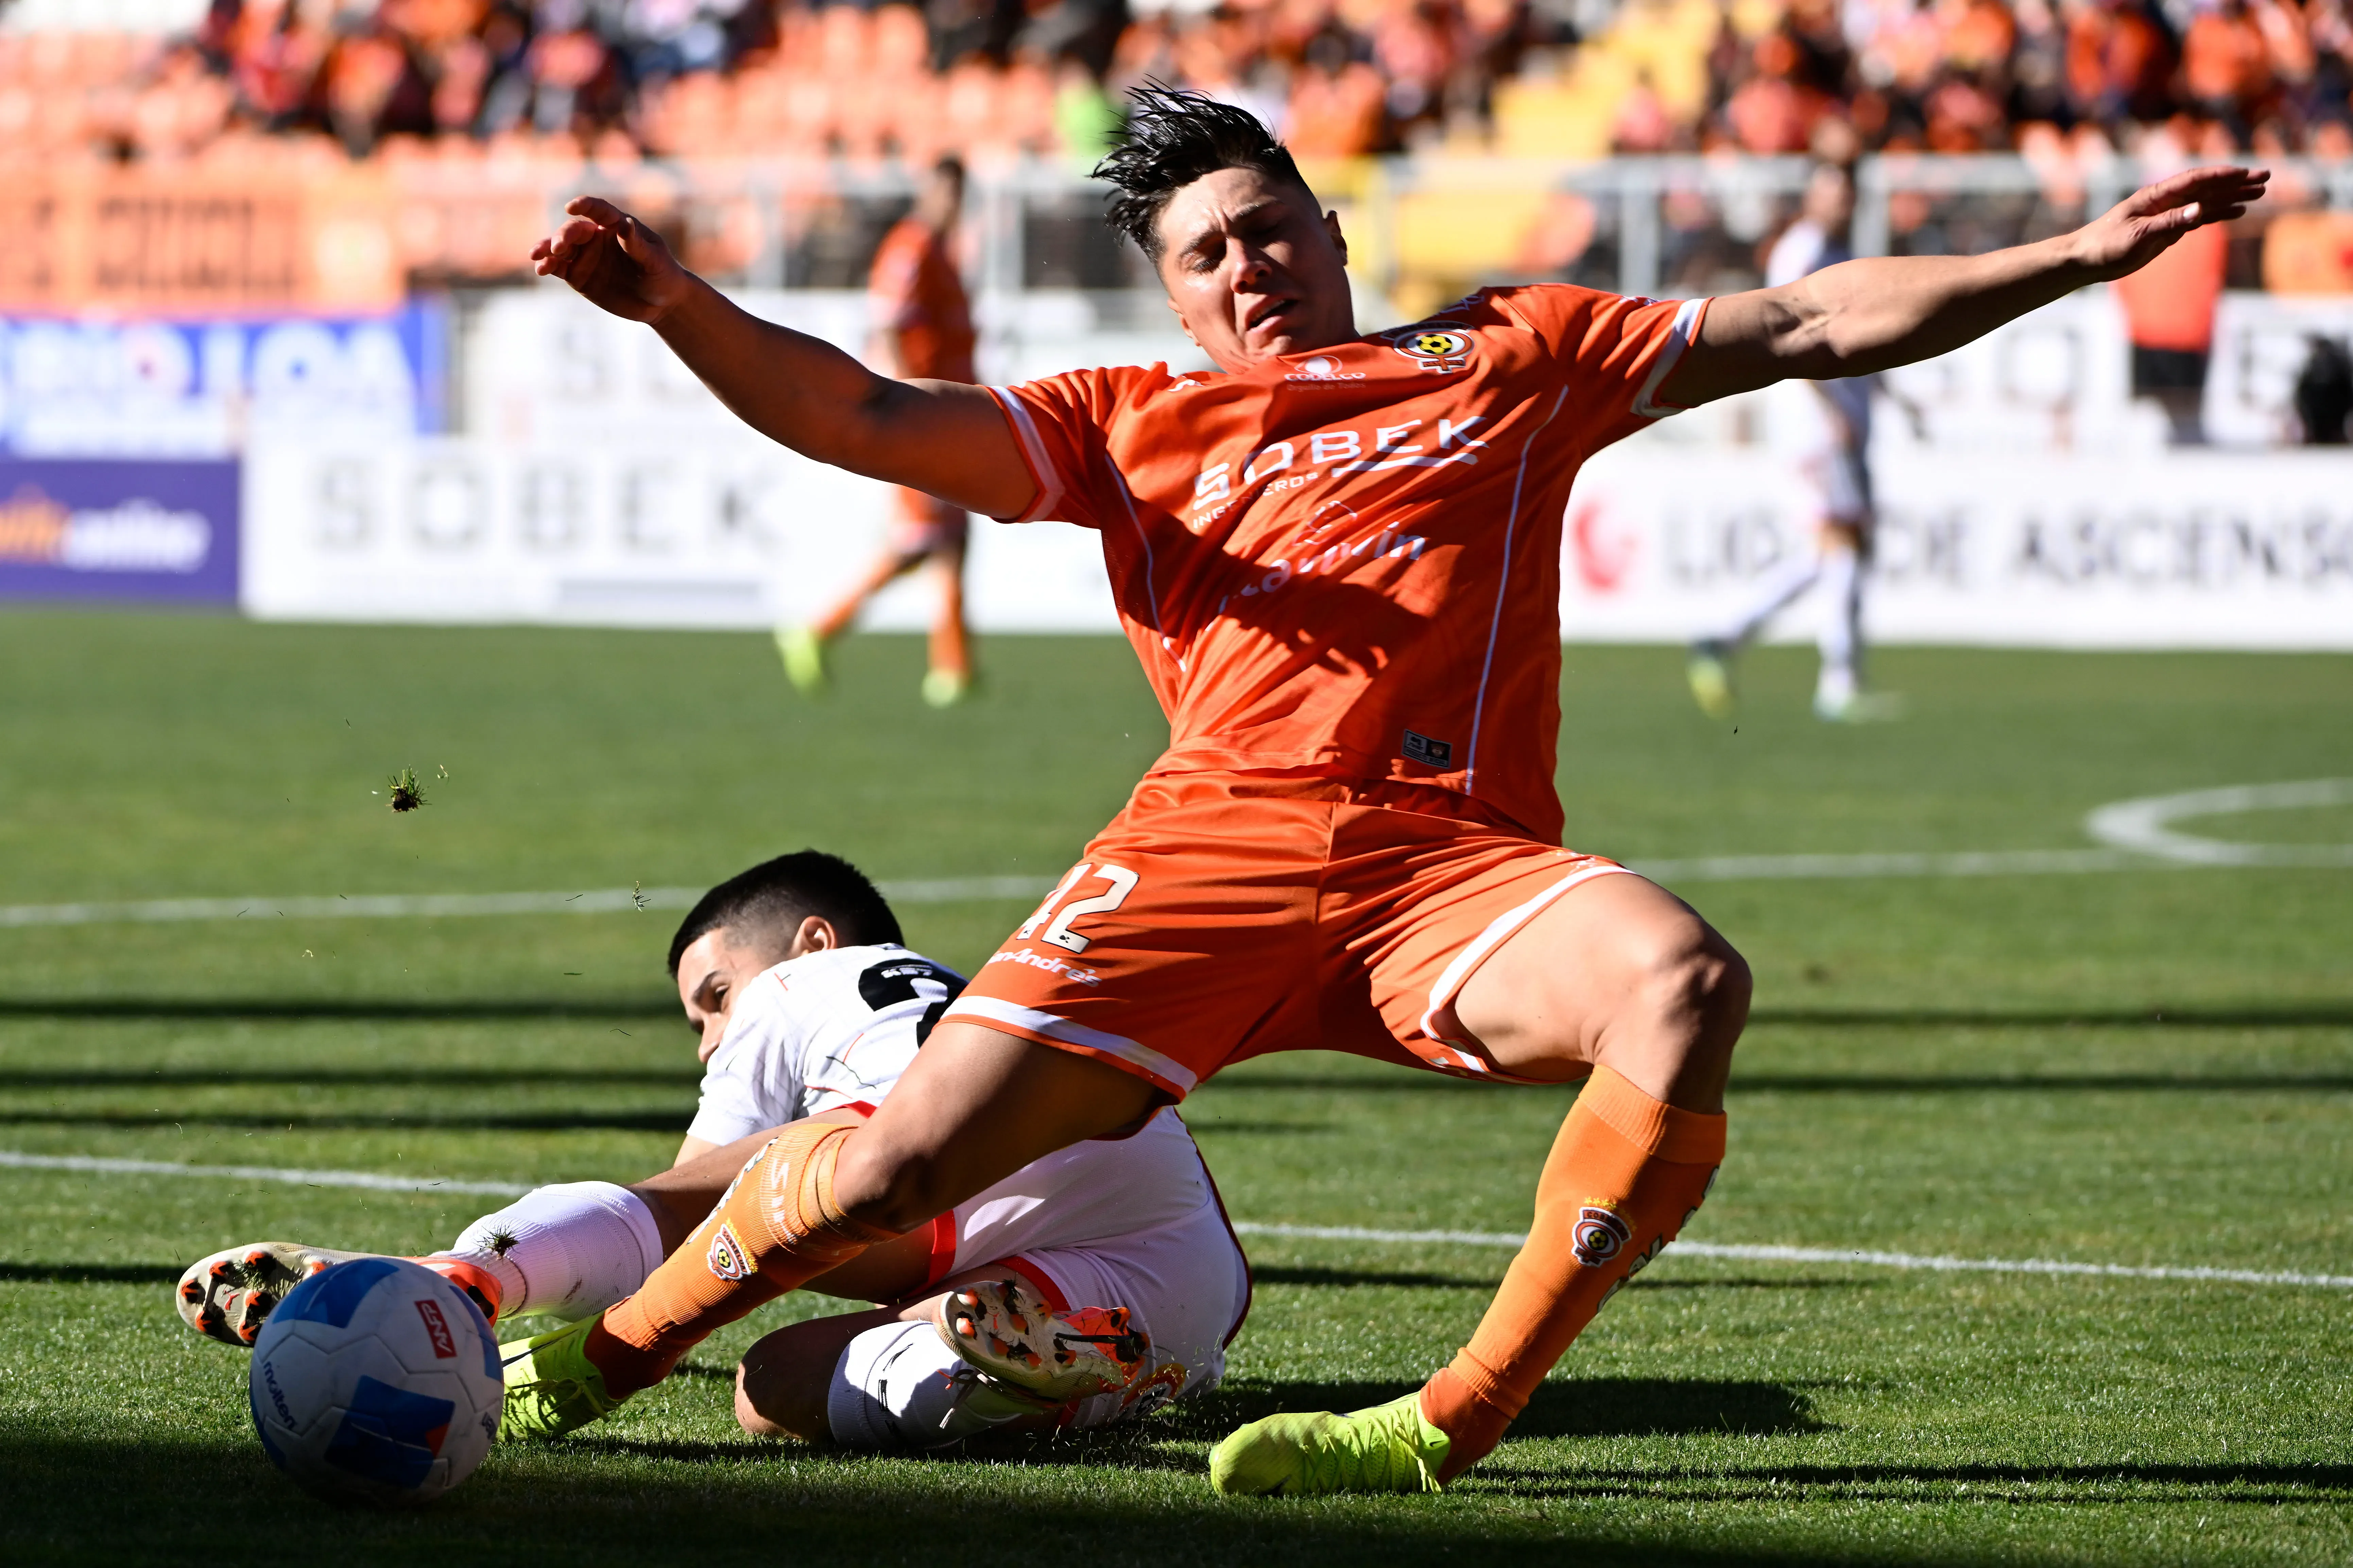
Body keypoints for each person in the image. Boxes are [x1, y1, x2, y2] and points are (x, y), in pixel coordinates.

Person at [523, 84, 2265, 1494]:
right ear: (1172, 292)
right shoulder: (1130, 422)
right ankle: (593, 1368)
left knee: (1683, 983)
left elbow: (1807, 316)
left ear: (1332, 229)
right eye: (1205, 254)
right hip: (1202, 854)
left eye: (1268, 226)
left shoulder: (1514, 351)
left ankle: (1438, 1422)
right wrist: (676, 304)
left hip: (1449, 867)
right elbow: (866, 417)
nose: (1245, 266)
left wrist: (2081, 252)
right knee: (895, 1166)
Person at [174, 850, 1250, 1452]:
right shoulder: (964, 993)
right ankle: (1025, 1367)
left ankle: (454, 1281)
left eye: (712, 997)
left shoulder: (804, 985)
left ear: (811, 941)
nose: (710, 1035)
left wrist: (591, 1320)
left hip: (930, 1178)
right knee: (774, 1382)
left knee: (705, 1208)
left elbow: (694, 1218)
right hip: (1180, 1272)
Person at [1685, 159, 1921, 724]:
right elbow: (1786, 336)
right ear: (1812, 197)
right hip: (1817, 424)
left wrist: (1889, 395)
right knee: (1840, 543)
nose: (1839, 202)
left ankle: (1723, 636)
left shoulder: (1839, 253)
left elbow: (1861, 338)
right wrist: (1830, 407)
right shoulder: (1802, 251)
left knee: (1836, 550)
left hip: (1845, 418)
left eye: (1846, 193)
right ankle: (1838, 681)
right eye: (1830, 191)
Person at [775, 157, 982, 709]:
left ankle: (954, 667)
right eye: (945, 193)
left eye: (958, 195)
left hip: (953, 414)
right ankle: (819, 629)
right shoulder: (911, 249)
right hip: (924, 416)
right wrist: (903, 400)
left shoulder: (944, 254)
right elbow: (888, 323)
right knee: (922, 541)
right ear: (927, 192)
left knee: (955, 537)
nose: (951, 205)